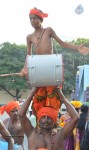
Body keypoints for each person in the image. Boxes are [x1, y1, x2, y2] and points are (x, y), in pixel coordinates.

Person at [20, 7, 89, 116]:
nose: (32, 21)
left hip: (51, 68)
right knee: (39, 98)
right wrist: (24, 68)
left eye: (34, 18)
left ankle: (53, 122)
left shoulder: (49, 30)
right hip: (38, 70)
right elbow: (28, 56)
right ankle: (40, 123)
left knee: (53, 98)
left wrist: (77, 48)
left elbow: (62, 44)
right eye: (30, 19)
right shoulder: (29, 37)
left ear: (41, 19)